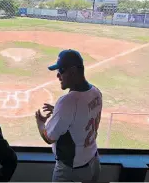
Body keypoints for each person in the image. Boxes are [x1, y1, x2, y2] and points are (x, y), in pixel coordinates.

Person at [35, 49, 102, 182]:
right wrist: (58, 112)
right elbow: (82, 116)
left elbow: (49, 137)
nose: (58, 75)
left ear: (72, 71)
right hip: (93, 161)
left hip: (71, 170)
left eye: (61, 71)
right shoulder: (96, 92)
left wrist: (40, 123)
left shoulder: (68, 102)